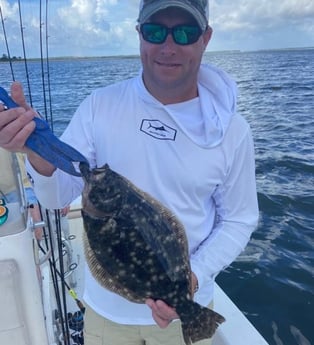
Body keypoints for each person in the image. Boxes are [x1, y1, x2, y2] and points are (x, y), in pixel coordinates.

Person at [0, 0, 259, 344]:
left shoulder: (232, 130)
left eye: (184, 32)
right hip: (106, 316)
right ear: (139, 34)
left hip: (187, 306)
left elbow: (239, 220)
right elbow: (55, 196)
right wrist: (37, 150)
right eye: (155, 31)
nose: (168, 47)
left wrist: (191, 278)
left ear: (205, 38)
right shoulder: (100, 105)